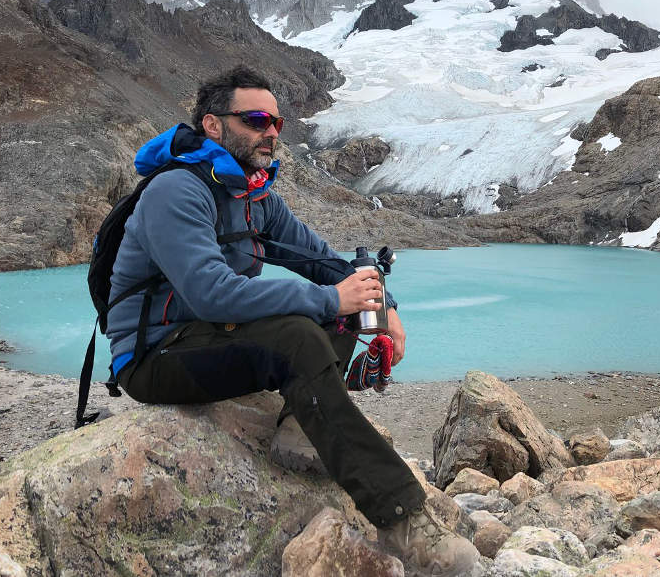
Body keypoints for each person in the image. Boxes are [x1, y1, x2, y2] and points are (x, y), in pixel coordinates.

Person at [105, 65, 478, 575]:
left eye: (276, 122)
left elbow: (328, 264)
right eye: (256, 119)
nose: (272, 132)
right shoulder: (176, 192)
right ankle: (406, 522)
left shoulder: (255, 196)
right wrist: (331, 300)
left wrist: (384, 307)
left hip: (211, 338)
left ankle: (300, 426)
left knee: (347, 314)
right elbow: (211, 293)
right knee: (301, 333)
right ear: (213, 125)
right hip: (154, 355)